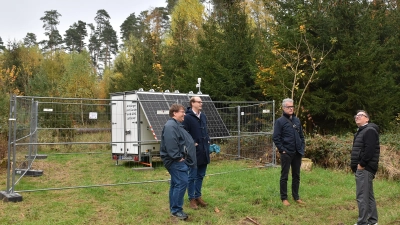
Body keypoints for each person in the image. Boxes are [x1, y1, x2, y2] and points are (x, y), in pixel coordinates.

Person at [160, 104, 196, 220]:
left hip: (176, 160)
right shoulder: (171, 126)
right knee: (181, 183)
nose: (184, 114)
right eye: (182, 112)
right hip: (175, 161)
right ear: (174, 113)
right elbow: (171, 143)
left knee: (176, 184)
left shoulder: (176, 125)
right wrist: (178, 157)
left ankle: (174, 209)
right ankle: (176, 210)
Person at [273, 98, 305, 206]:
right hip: (286, 153)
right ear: (283, 108)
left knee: (296, 175)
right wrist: (282, 150)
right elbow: (276, 137)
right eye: (288, 107)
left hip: (297, 152)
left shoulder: (297, 120)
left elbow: (301, 136)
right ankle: (284, 198)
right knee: (284, 176)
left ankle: (296, 197)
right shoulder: (280, 121)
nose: (291, 109)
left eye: (292, 107)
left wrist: (302, 147)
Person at [351, 110, 380, 225]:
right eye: (356, 116)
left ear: (367, 119)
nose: (357, 117)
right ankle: (373, 221)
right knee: (368, 195)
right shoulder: (362, 131)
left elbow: (370, 150)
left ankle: (362, 222)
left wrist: (361, 164)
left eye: (360, 115)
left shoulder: (369, 131)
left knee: (362, 195)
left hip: (365, 168)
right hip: (365, 168)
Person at [182, 96, 211, 210]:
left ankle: (198, 196)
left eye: (201, 102)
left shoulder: (203, 116)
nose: (201, 104)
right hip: (193, 152)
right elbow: (184, 133)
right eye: (199, 102)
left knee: (200, 175)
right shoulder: (187, 117)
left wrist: (208, 143)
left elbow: (205, 131)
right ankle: (191, 199)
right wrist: (192, 143)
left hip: (204, 150)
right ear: (192, 103)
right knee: (192, 176)